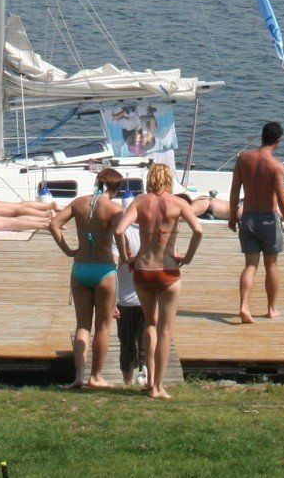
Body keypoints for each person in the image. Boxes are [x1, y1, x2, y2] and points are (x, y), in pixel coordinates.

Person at [113, 160, 202, 400]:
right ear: (168, 180)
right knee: (165, 329)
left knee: (149, 324)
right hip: (168, 270)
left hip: (142, 270)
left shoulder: (140, 202)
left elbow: (120, 230)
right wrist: (188, 256)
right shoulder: (178, 203)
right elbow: (199, 230)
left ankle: (150, 378)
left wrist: (126, 258)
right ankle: (158, 387)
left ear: (150, 179)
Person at [50, 168, 124, 389]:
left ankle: (79, 376)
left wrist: (67, 250)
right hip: (104, 269)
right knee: (103, 326)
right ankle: (96, 376)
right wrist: (125, 256)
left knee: (82, 325)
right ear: (116, 188)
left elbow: (53, 224)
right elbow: (120, 234)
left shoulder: (78, 203)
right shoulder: (114, 208)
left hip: (80, 267)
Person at [227, 122, 284, 323]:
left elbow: (234, 190)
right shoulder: (276, 166)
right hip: (268, 219)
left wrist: (233, 216)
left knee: (250, 265)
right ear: (278, 141)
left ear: (262, 137)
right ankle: (271, 308)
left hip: (248, 217)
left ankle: (243, 306)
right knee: (271, 265)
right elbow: (283, 198)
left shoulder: (243, 159)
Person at [114, 198, 147, 387]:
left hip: (132, 299)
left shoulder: (120, 232)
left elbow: (114, 262)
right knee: (133, 344)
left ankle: (135, 379)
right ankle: (130, 380)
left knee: (132, 344)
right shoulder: (147, 233)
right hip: (130, 299)